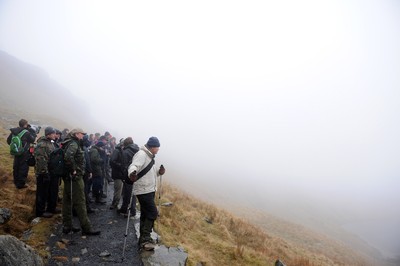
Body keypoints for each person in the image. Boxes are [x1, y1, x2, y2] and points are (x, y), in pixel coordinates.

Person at [128, 136, 165, 251]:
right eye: (157, 147)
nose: (158, 150)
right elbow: (133, 166)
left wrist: (159, 172)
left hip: (149, 189)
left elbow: (150, 173)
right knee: (153, 212)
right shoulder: (142, 155)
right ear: (152, 147)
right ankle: (145, 238)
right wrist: (132, 173)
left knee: (145, 213)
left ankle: (143, 239)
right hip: (143, 189)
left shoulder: (150, 157)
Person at [62, 128, 100, 235]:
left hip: (68, 177)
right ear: (76, 134)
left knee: (67, 201)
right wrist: (73, 170)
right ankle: (86, 227)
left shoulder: (68, 142)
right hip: (75, 177)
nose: (83, 136)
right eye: (81, 134)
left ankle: (67, 226)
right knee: (80, 201)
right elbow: (68, 157)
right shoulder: (74, 144)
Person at [34, 126, 58, 218]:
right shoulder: (42, 144)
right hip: (43, 173)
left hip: (50, 172)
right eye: (53, 133)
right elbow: (41, 160)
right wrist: (44, 173)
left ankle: (51, 208)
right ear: (48, 134)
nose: (55, 135)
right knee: (42, 192)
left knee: (50, 191)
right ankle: (40, 212)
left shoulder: (50, 143)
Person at [6, 119, 37, 189]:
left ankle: (16, 181)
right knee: (23, 168)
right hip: (24, 153)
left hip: (16, 152)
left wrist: (16, 147)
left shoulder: (14, 131)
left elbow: (8, 141)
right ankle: (20, 184)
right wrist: (33, 132)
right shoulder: (26, 132)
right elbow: (32, 140)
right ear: (25, 125)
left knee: (16, 166)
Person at [118, 137, 139, 215]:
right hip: (136, 174)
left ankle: (128, 210)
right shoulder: (138, 150)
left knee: (127, 193)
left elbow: (124, 165)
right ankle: (131, 210)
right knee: (132, 193)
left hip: (128, 175)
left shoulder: (126, 152)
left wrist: (123, 176)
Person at [109, 138, 125, 210]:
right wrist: (121, 165)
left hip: (117, 173)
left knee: (117, 190)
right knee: (118, 190)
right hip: (118, 174)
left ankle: (114, 203)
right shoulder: (117, 151)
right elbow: (112, 161)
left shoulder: (118, 150)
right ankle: (115, 204)